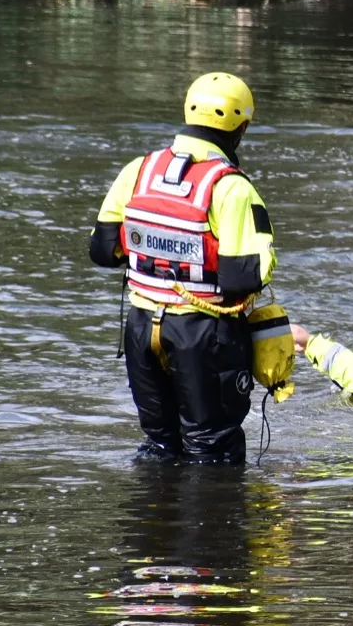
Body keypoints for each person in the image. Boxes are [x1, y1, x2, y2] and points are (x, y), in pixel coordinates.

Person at [89, 72, 277, 464]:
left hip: (141, 329)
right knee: (212, 450)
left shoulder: (139, 170)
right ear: (241, 127)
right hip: (203, 335)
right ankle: (213, 506)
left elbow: (102, 251)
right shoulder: (232, 187)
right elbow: (244, 278)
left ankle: (153, 503)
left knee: (160, 445)